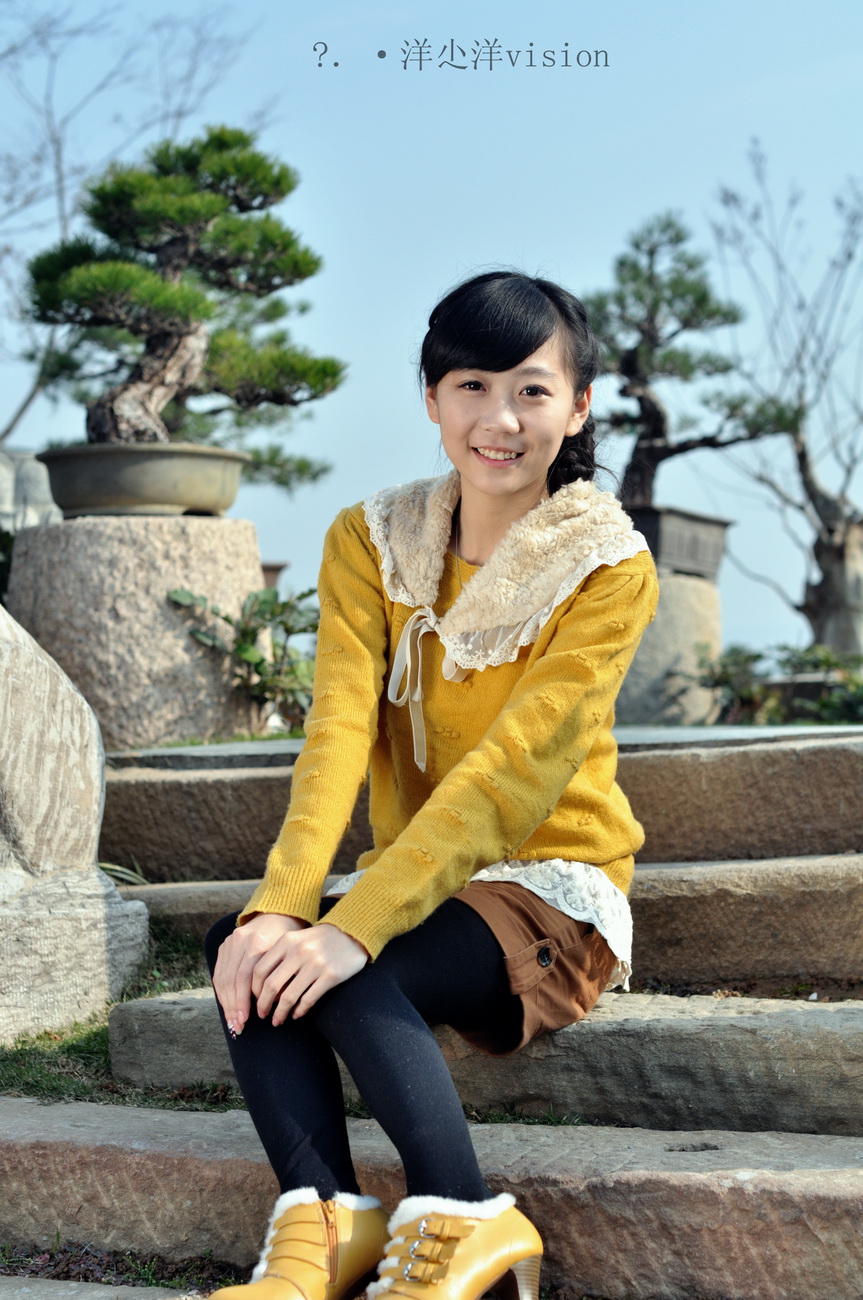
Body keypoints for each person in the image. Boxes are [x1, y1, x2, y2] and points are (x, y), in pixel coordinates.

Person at [205, 270, 659, 1300]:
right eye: (471, 387)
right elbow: (335, 736)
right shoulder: (370, 540)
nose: (499, 419)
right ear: (430, 398)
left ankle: (465, 1220)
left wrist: (355, 924)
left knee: (349, 963)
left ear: (577, 406)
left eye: (532, 390)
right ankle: (324, 1223)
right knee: (251, 946)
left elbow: (510, 776)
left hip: (549, 889)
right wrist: (283, 904)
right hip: (423, 877)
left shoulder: (605, 563)